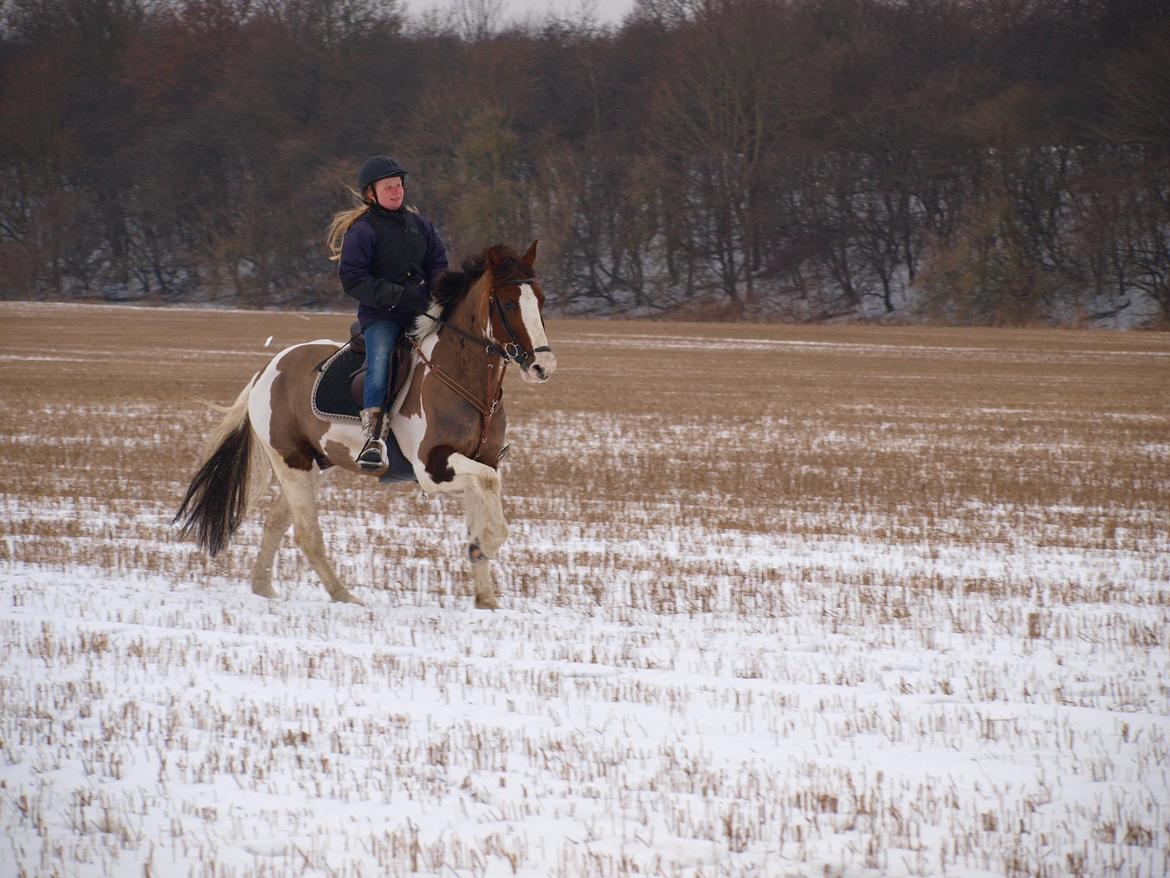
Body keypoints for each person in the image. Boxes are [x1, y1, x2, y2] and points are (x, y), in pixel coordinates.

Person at [327, 155, 449, 470]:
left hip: (422, 312)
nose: (396, 192)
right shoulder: (362, 230)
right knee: (380, 359)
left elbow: (438, 263)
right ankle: (374, 437)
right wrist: (397, 295)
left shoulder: (420, 225)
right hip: (382, 316)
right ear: (371, 194)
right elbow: (353, 279)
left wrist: (438, 292)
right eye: (388, 187)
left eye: (398, 186)